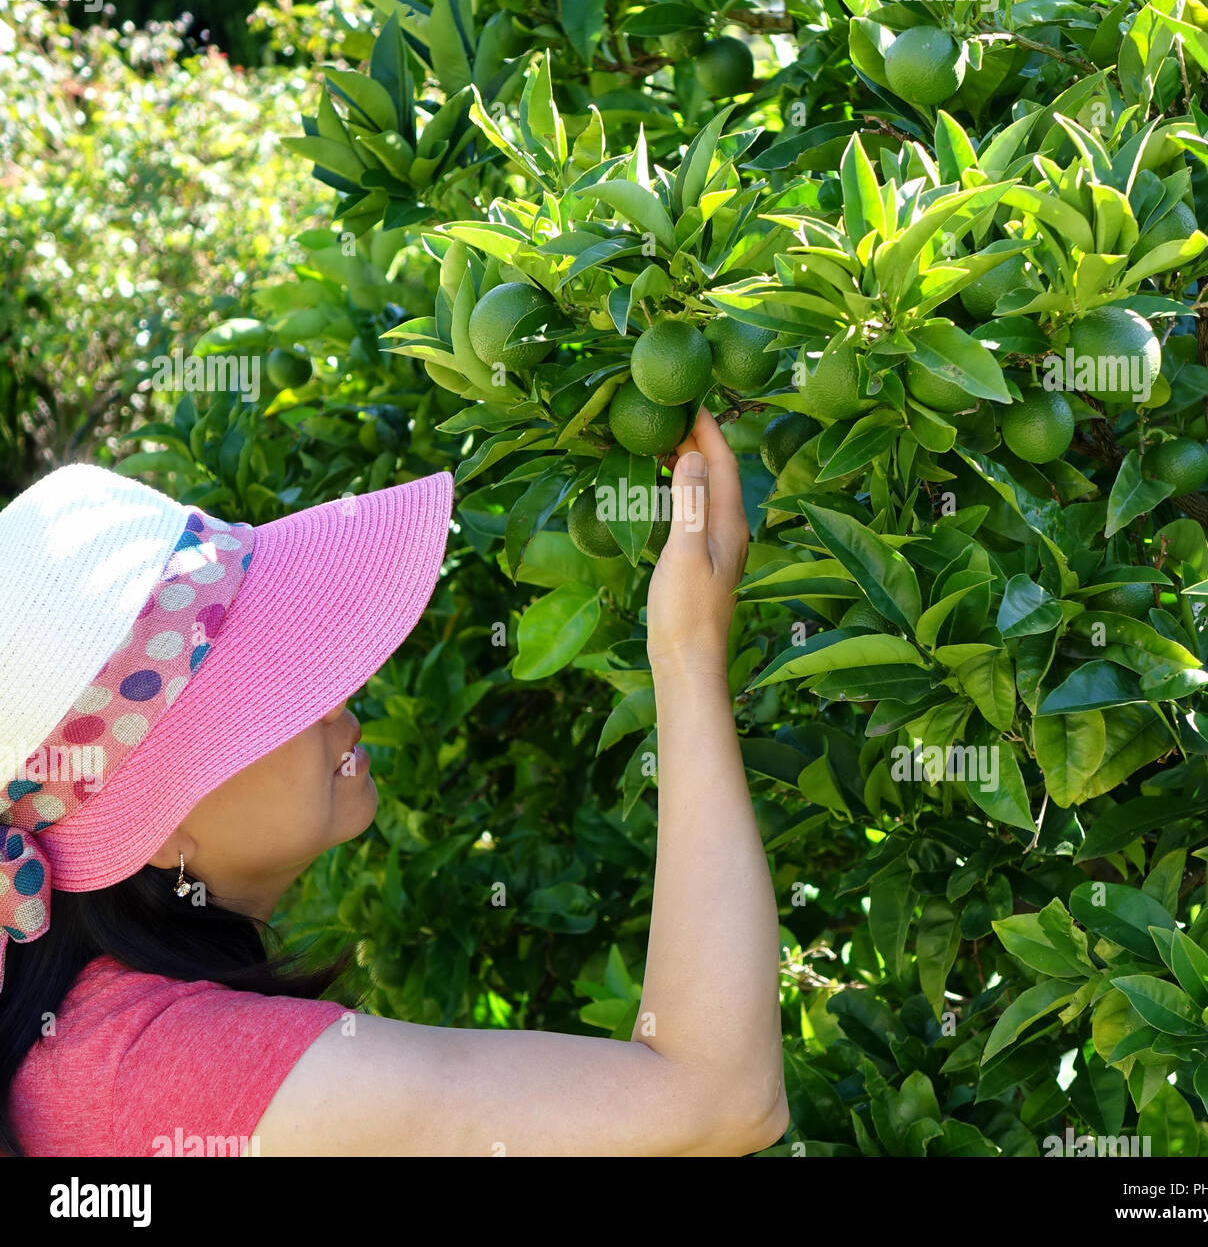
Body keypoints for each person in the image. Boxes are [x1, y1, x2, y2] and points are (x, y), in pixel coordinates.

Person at [0, 407, 788, 1157]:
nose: (336, 698)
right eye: (272, 687)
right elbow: (717, 1098)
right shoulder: (164, 1079)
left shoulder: (88, 1037)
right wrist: (687, 653)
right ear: (156, 826)